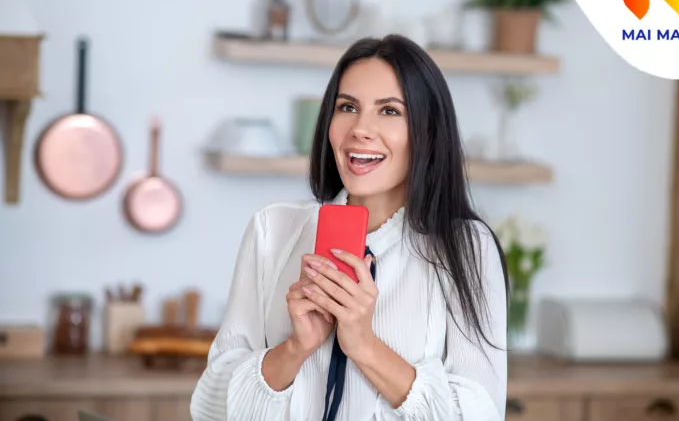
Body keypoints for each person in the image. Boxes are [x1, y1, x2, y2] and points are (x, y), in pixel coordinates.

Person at [190, 34, 509, 421]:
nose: (360, 128)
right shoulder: (272, 230)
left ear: (427, 131)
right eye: (347, 107)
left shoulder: (465, 249)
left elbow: (480, 415)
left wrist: (363, 344)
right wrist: (295, 348)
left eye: (389, 111)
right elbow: (210, 408)